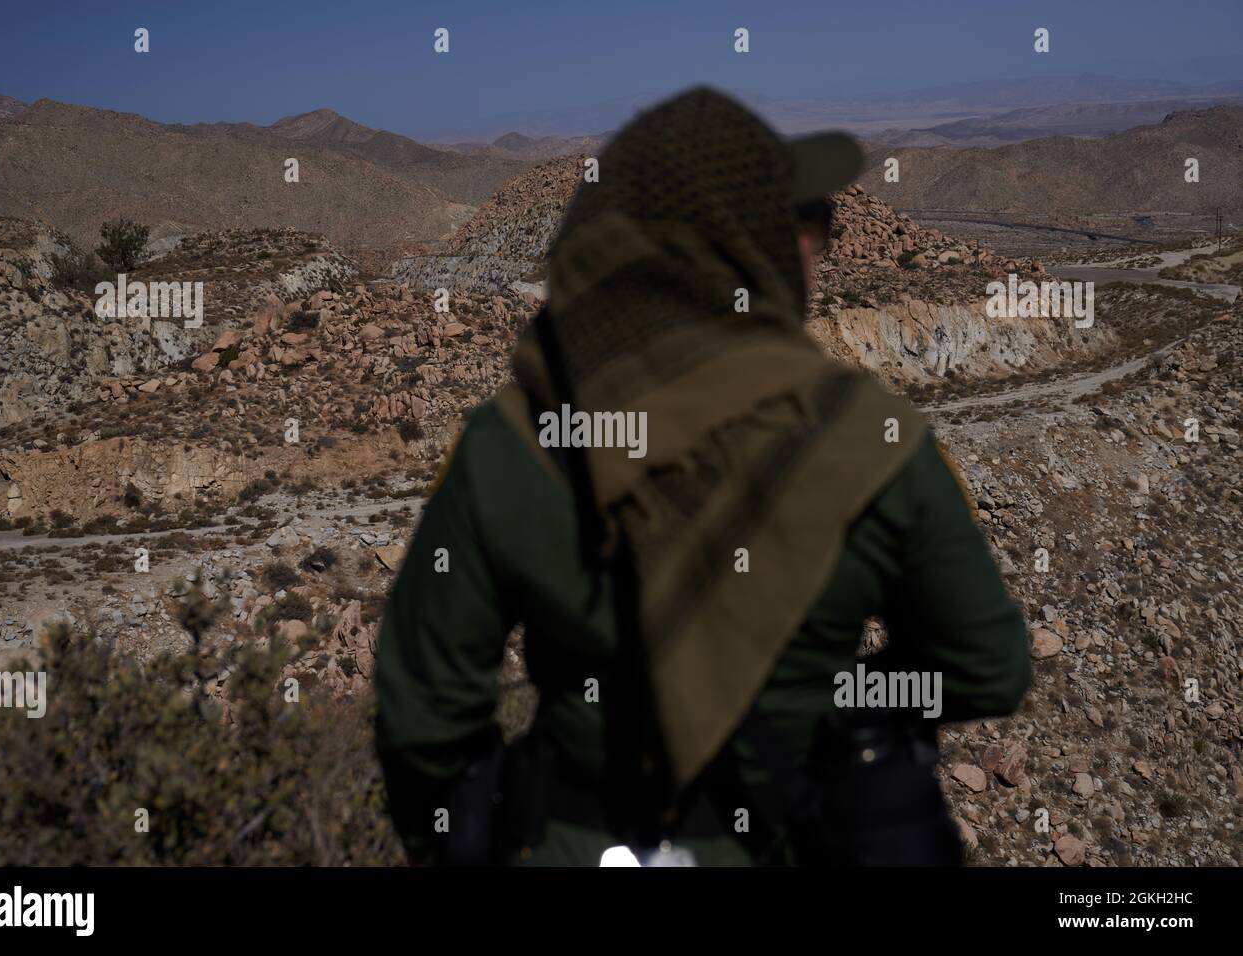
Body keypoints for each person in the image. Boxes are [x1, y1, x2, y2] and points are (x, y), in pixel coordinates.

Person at [374, 87, 1030, 866]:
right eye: (806, 227)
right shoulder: (872, 441)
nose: (820, 248)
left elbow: (424, 717)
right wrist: (836, 702)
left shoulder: (512, 444)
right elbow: (986, 666)